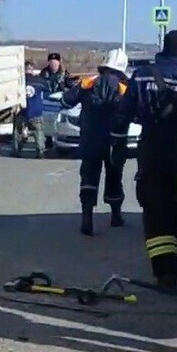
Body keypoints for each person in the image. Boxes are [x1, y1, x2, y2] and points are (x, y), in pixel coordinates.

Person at [111, 30, 177, 289]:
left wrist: (118, 146)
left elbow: (123, 114)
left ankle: (163, 272)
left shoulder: (144, 74)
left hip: (152, 150)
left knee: (156, 211)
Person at [62, 48, 129, 236]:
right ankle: (116, 215)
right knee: (114, 176)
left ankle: (87, 217)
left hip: (90, 139)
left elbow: (66, 102)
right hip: (115, 140)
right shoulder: (124, 88)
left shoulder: (89, 83)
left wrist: (77, 88)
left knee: (89, 176)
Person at [14, 61, 47, 158]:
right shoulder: (39, 81)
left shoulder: (18, 81)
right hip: (36, 111)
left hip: (22, 111)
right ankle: (40, 151)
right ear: (32, 69)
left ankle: (17, 150)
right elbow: (48, 91)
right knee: (39, 131)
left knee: (18, 131)